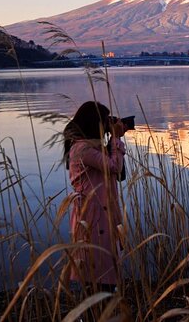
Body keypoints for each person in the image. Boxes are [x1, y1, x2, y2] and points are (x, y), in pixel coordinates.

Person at [63, 101, 127, 292]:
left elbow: (119, 173)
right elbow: (113, 167)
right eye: (106, 121)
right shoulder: (82, 149)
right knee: (96, 275)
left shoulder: (93, 147)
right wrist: (115, 139)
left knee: (103, 276)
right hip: (92, 219)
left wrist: (112, 142)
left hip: (101, 216)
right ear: (95, 123)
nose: (109, 125)